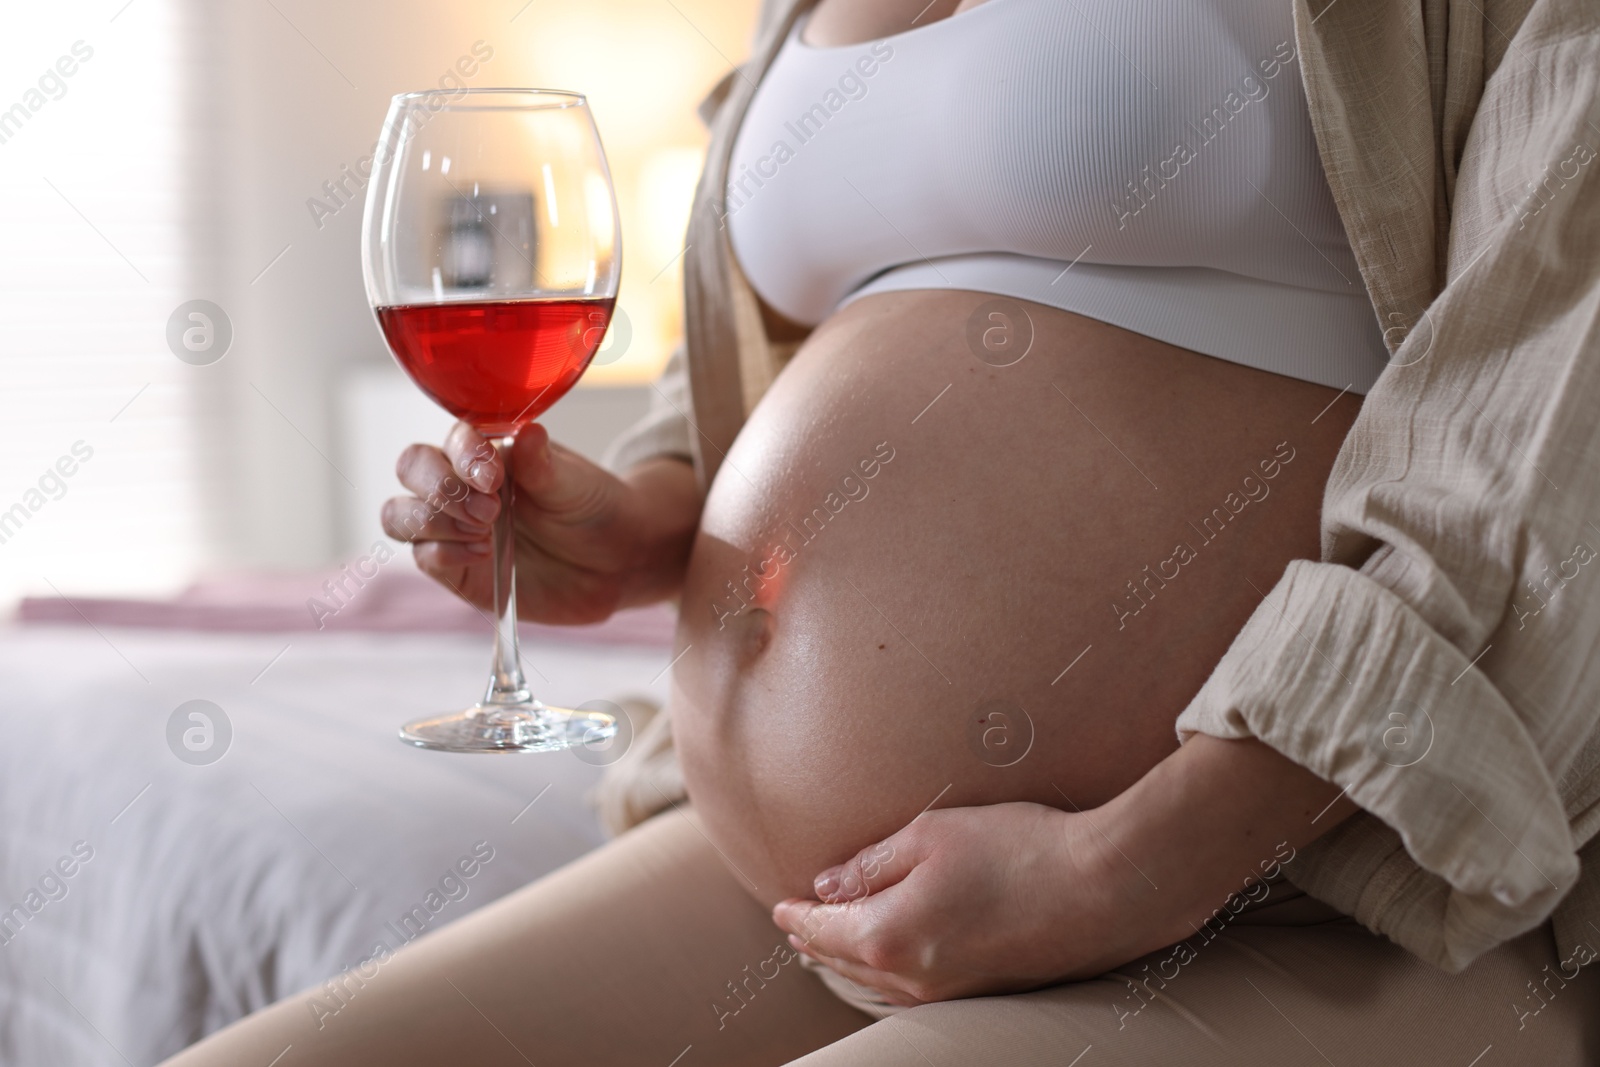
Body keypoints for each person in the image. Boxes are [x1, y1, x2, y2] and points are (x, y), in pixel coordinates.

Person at [165, 0, 1600, 1062]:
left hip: (1292, 895)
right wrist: (641, 517)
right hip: (814, 905)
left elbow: (1534, 430)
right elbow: (766, 349)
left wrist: (1129, 864)